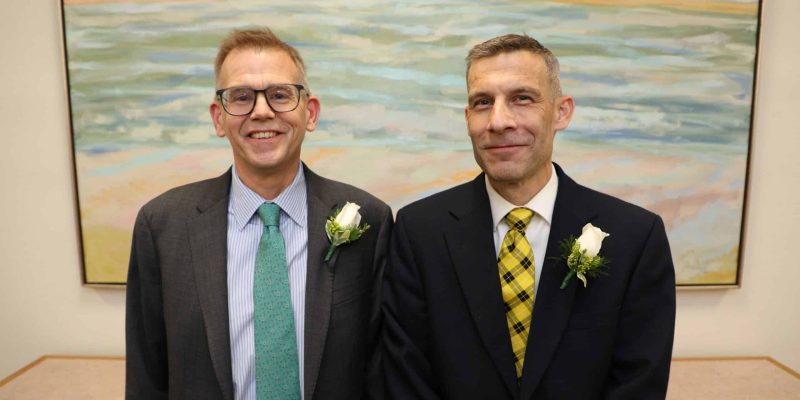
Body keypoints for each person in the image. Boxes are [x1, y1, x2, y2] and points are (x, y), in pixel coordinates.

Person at [383, 34, 676, 399]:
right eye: (482, 102)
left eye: (522, 98)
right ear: (467, 118)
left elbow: (639, 382)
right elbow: (406, 377)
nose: (499, 121)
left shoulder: (635, 237)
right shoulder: (419, 230)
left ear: (561, 112)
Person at [126, 28, 392, 400]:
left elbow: (381, 370)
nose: (262, 111)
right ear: (219, 118)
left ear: (310, 112)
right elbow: (146, 374)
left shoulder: (371, 221)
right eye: (242, 97)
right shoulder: (162, 225)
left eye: (280, 95)